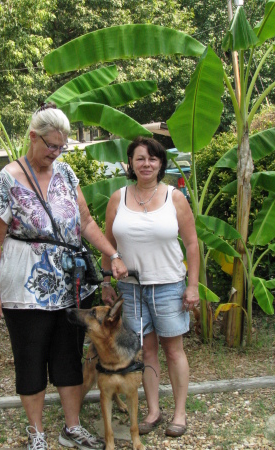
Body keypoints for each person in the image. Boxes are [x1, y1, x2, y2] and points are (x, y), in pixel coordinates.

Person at [0, 102, 128, 450]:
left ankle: (72, 427)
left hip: (69, 286)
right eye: (50, 145)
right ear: (32, 137)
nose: (56, 152)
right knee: (31, 357)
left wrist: (113, 253)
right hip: (23, 286)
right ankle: (37, 434)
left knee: (67, 357)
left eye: (61, 146)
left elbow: (87, 222)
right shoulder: (7, 179)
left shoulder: (65, 173)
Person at [101, 136, 199, 438]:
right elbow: (108, 244)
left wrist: (193, 284)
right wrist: (106, 279)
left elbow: (193, 243)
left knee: (174, 350)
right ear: (130, 162)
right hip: (130, 288)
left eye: (153, 158)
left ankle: (179, 413)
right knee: (147, 352)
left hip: (169, 285)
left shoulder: (175, 197)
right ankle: (154, 411)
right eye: (140, 158)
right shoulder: (118, 198)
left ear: (161, 163)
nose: (146, 164)